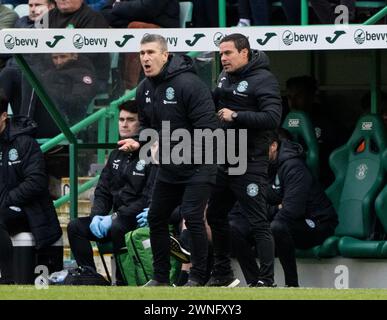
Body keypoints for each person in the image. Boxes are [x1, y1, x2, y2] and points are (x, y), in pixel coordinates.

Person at [118, 34, 218, 287]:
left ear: (165, 55)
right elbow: (149, 128)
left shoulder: (190, 84)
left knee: (193, 217)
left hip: (199, 164)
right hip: (169, 167)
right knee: (156, 217)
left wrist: (172, 146)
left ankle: (197, 277)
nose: (145, 58)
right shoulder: (144, 88)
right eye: (142, 53)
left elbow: (208, 128)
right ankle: (160, 278)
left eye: (151, 52)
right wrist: (140, 142)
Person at [206, 33, 282, 288]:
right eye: (220, 53)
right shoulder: (224, 77)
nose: (223, 58)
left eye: (228, 53)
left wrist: (236, 115)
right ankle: (222, 273)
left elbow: (272, 118)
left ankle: (266, 281)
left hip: (250, 162)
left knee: (258, 221)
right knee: (215, 215)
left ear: (244, 53)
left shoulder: (264, 80)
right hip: (225, 160)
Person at [67, 101, 156, 284]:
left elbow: (147, 198)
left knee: (117, 226)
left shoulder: (151, 154)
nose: (124, 124)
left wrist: (115, 217)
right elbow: (103, 190)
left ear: (141, 123)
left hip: (137, 219)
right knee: (75, 227)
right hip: (117, 217)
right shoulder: (116, 154)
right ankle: (90, 277)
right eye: (121, 119)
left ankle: (123, 281)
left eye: (130, 120)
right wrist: (97, 215)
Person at [0, 92, 62, 284]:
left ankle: (8, 279)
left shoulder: (24, 142)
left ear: (3, 116)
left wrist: (6, 201)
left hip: (29, 211)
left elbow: (35, 182)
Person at [267, 129, 338, 287]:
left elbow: (292, 210)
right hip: (296, 222)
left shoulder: (294, 166)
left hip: (318, 222)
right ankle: (258, 282)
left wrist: (270, 211)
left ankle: (292, 285)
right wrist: (273, 209)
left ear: (273, 146)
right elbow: (254, 203)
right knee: (243, 226)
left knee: (277, 226)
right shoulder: (268, 166)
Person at [0, 0, 55, 115]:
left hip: (39, 73)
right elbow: (6, 49)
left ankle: (25, 123)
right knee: (7, 73)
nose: (33, 9)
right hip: (14, 69)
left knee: (27, 75)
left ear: (51, 7)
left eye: (38, 5)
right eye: (30, 5)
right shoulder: (22, 21)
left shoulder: (55, 23)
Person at [39, 52, 97, 130]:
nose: (59, 61)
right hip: (45, 119)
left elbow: (79, 101)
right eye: (55, 58)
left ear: (75, 56)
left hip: (69, 124)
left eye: (63, 57)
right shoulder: (47, 74)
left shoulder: (83, 74)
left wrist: (54, 95)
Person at [100, 0, 179, 28]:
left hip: (164, 31)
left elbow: (146, 9)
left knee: (135, 25)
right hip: (131, 25)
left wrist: (117, 6)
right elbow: (105, 12)